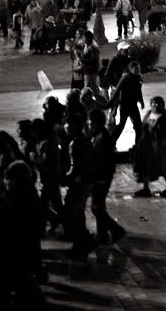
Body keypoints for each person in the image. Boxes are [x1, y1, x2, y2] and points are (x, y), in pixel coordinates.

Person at [0, 160, 45, 309]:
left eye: (7, 179)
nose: (5, 182)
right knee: (21, 285)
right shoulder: (31, 196)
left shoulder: (11, 202)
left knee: (13, 287)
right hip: (24, 252)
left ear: (15, 181)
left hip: (10, 253)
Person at [87, 109, 126, 245]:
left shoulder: (103, 137)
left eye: (91, 122)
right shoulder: (98, 134)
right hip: (101, 175)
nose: (89, 124)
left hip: (102, 176)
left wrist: (97, 176)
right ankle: (102, 234)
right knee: (99, 206)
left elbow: (103, 160)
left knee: (96, 207)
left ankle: (116, 229)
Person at [62, 113, 94, 261]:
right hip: (87, 181)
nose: (65, 127)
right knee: (79, 212)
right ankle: (80, 246)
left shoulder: (75, 143)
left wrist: (65, 178)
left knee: (69, 212)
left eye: (67, 124)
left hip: (79, 183)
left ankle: (84, 240)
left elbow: (75, 167)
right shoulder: (86, 140)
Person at [137, 96, 166, 198]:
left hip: (161, 148)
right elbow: (143, 127)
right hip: (147, 146)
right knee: (146, 166)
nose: (155, 105)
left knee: (165, 168)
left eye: (158, 103)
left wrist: (162, 142)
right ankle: (146, 188)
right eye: (153, 103)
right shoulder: (149, 114)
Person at [109, 61, 145, 144]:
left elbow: (139, 91)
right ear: (131, 69)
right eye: (135, 69)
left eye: (138, 68)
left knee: (138, 125)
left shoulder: (138, 78)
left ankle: (138, 144)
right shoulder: (125, 78)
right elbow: (117, 90)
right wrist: (112, 102)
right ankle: (111, 142)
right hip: (125, 105)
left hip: (133, 105)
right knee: (122, 125)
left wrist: (141, 101)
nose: (137, 70)